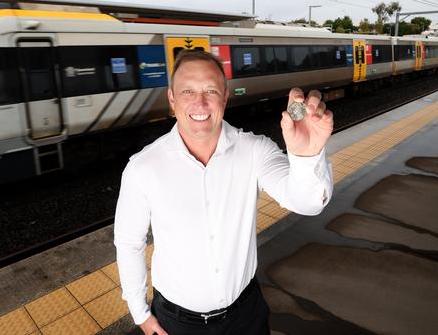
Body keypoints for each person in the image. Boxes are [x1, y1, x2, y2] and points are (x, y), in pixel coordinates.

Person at [114, 50, 333, 335]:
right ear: (171, 99)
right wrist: (139, 312)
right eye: (187, 91)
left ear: (225, 97)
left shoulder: (255, 150)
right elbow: (130, 242)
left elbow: (307, 203)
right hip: (175, 324)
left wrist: (306, 155)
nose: (200, 102)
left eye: (211, 90)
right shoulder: (142, 167)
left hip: (246, 317)